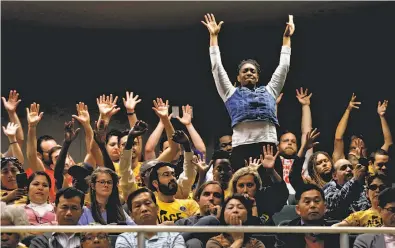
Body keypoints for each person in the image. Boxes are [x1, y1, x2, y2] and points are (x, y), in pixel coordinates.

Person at [202, 13, 294, 172]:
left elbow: (283, 68)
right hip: (241, 148)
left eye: (252, 71)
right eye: (245, 71)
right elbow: (216, 68)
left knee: (272, 188)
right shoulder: (230, 92)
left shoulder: (270, 90)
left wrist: (286, 39)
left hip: (268, 147)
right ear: (238, 77)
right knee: (243, 190)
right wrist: (213, 36)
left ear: (258, 76)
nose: (249, 73)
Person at [229, 145, 288, 225]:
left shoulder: (264, 198)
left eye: (250, 185)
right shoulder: (230, 205)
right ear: (235, 188)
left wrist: (271, 171)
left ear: (257, 186)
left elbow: (281, 192)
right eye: (241, 186)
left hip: (267, 236)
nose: (245, 190)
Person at [116, 187, 186, 248]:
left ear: (157, 208)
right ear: (131, 215)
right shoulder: (124, 239)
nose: (144, 209)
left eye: (147, 203)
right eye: (137, 206)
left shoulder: (173, 236)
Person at [275, 184, 340, 248]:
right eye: (307, 202)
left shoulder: (337, 231)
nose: (312, 205)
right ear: (298, 209)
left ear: (325, 208)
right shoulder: (285, 233)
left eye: (317, 201)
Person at [176, 181, 224, 248]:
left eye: (216, 195)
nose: (211, 198)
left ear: (222, 202)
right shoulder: (184, 222)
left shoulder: (228, 225)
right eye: (206, 194)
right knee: (193, 243)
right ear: (198, 199)